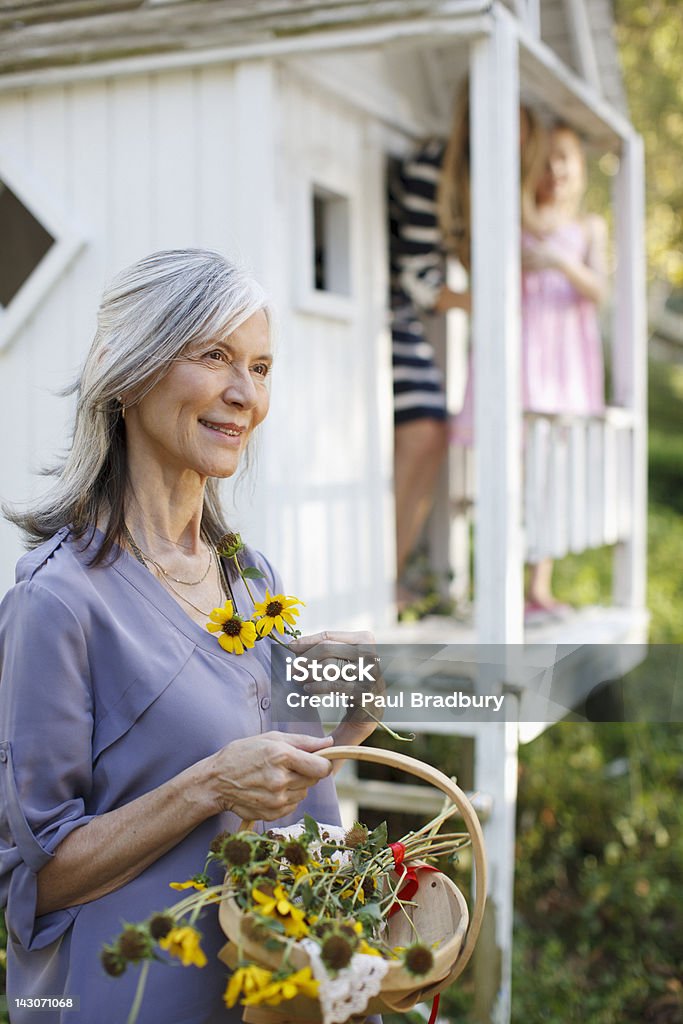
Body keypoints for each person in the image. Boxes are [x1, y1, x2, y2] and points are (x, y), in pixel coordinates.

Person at [0, 250, 377, 1024]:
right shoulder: (58, 602)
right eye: (214, 357)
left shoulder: (251, 578)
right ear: (131, 374)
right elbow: (30, 880)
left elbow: (276, 791)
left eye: (262, 367)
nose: (246, 395)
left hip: (269, 994)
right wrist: (204, 785)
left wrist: (348, 717)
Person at [390, 87, 546, 606]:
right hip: (386, 305)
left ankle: (393, 570)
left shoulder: (482, 185)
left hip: (408, 314)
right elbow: (413, 274)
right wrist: (481, 300)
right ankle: (388, 573)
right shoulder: (435, 168)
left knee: (434, 433)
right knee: (425, 431)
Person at [521, 124, 608, 616]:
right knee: (516, 467)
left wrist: (557, 260)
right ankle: (503, 576)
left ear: (578, 167)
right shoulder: (519, 220)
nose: (555, 169)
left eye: (565, 159)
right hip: (524, 355)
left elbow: (601, 292)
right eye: (547, 158)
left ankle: (538, 587)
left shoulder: (589, 227)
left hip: (566, 360)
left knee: (551, 472)